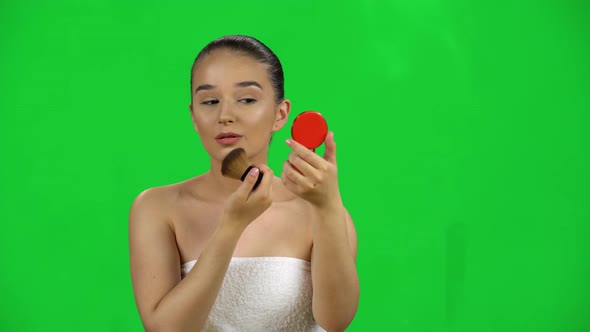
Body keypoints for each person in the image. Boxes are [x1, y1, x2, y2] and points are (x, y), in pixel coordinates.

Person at [129, 35, 359, 332]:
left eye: (247, 99)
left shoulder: (318, 211)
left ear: (280, 114)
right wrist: (231, 227)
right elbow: (165, 329)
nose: (225, 115)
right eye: (210, 101)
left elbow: (336, 320)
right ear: (194, 117)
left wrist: (327, 207)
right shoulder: (156, 208)